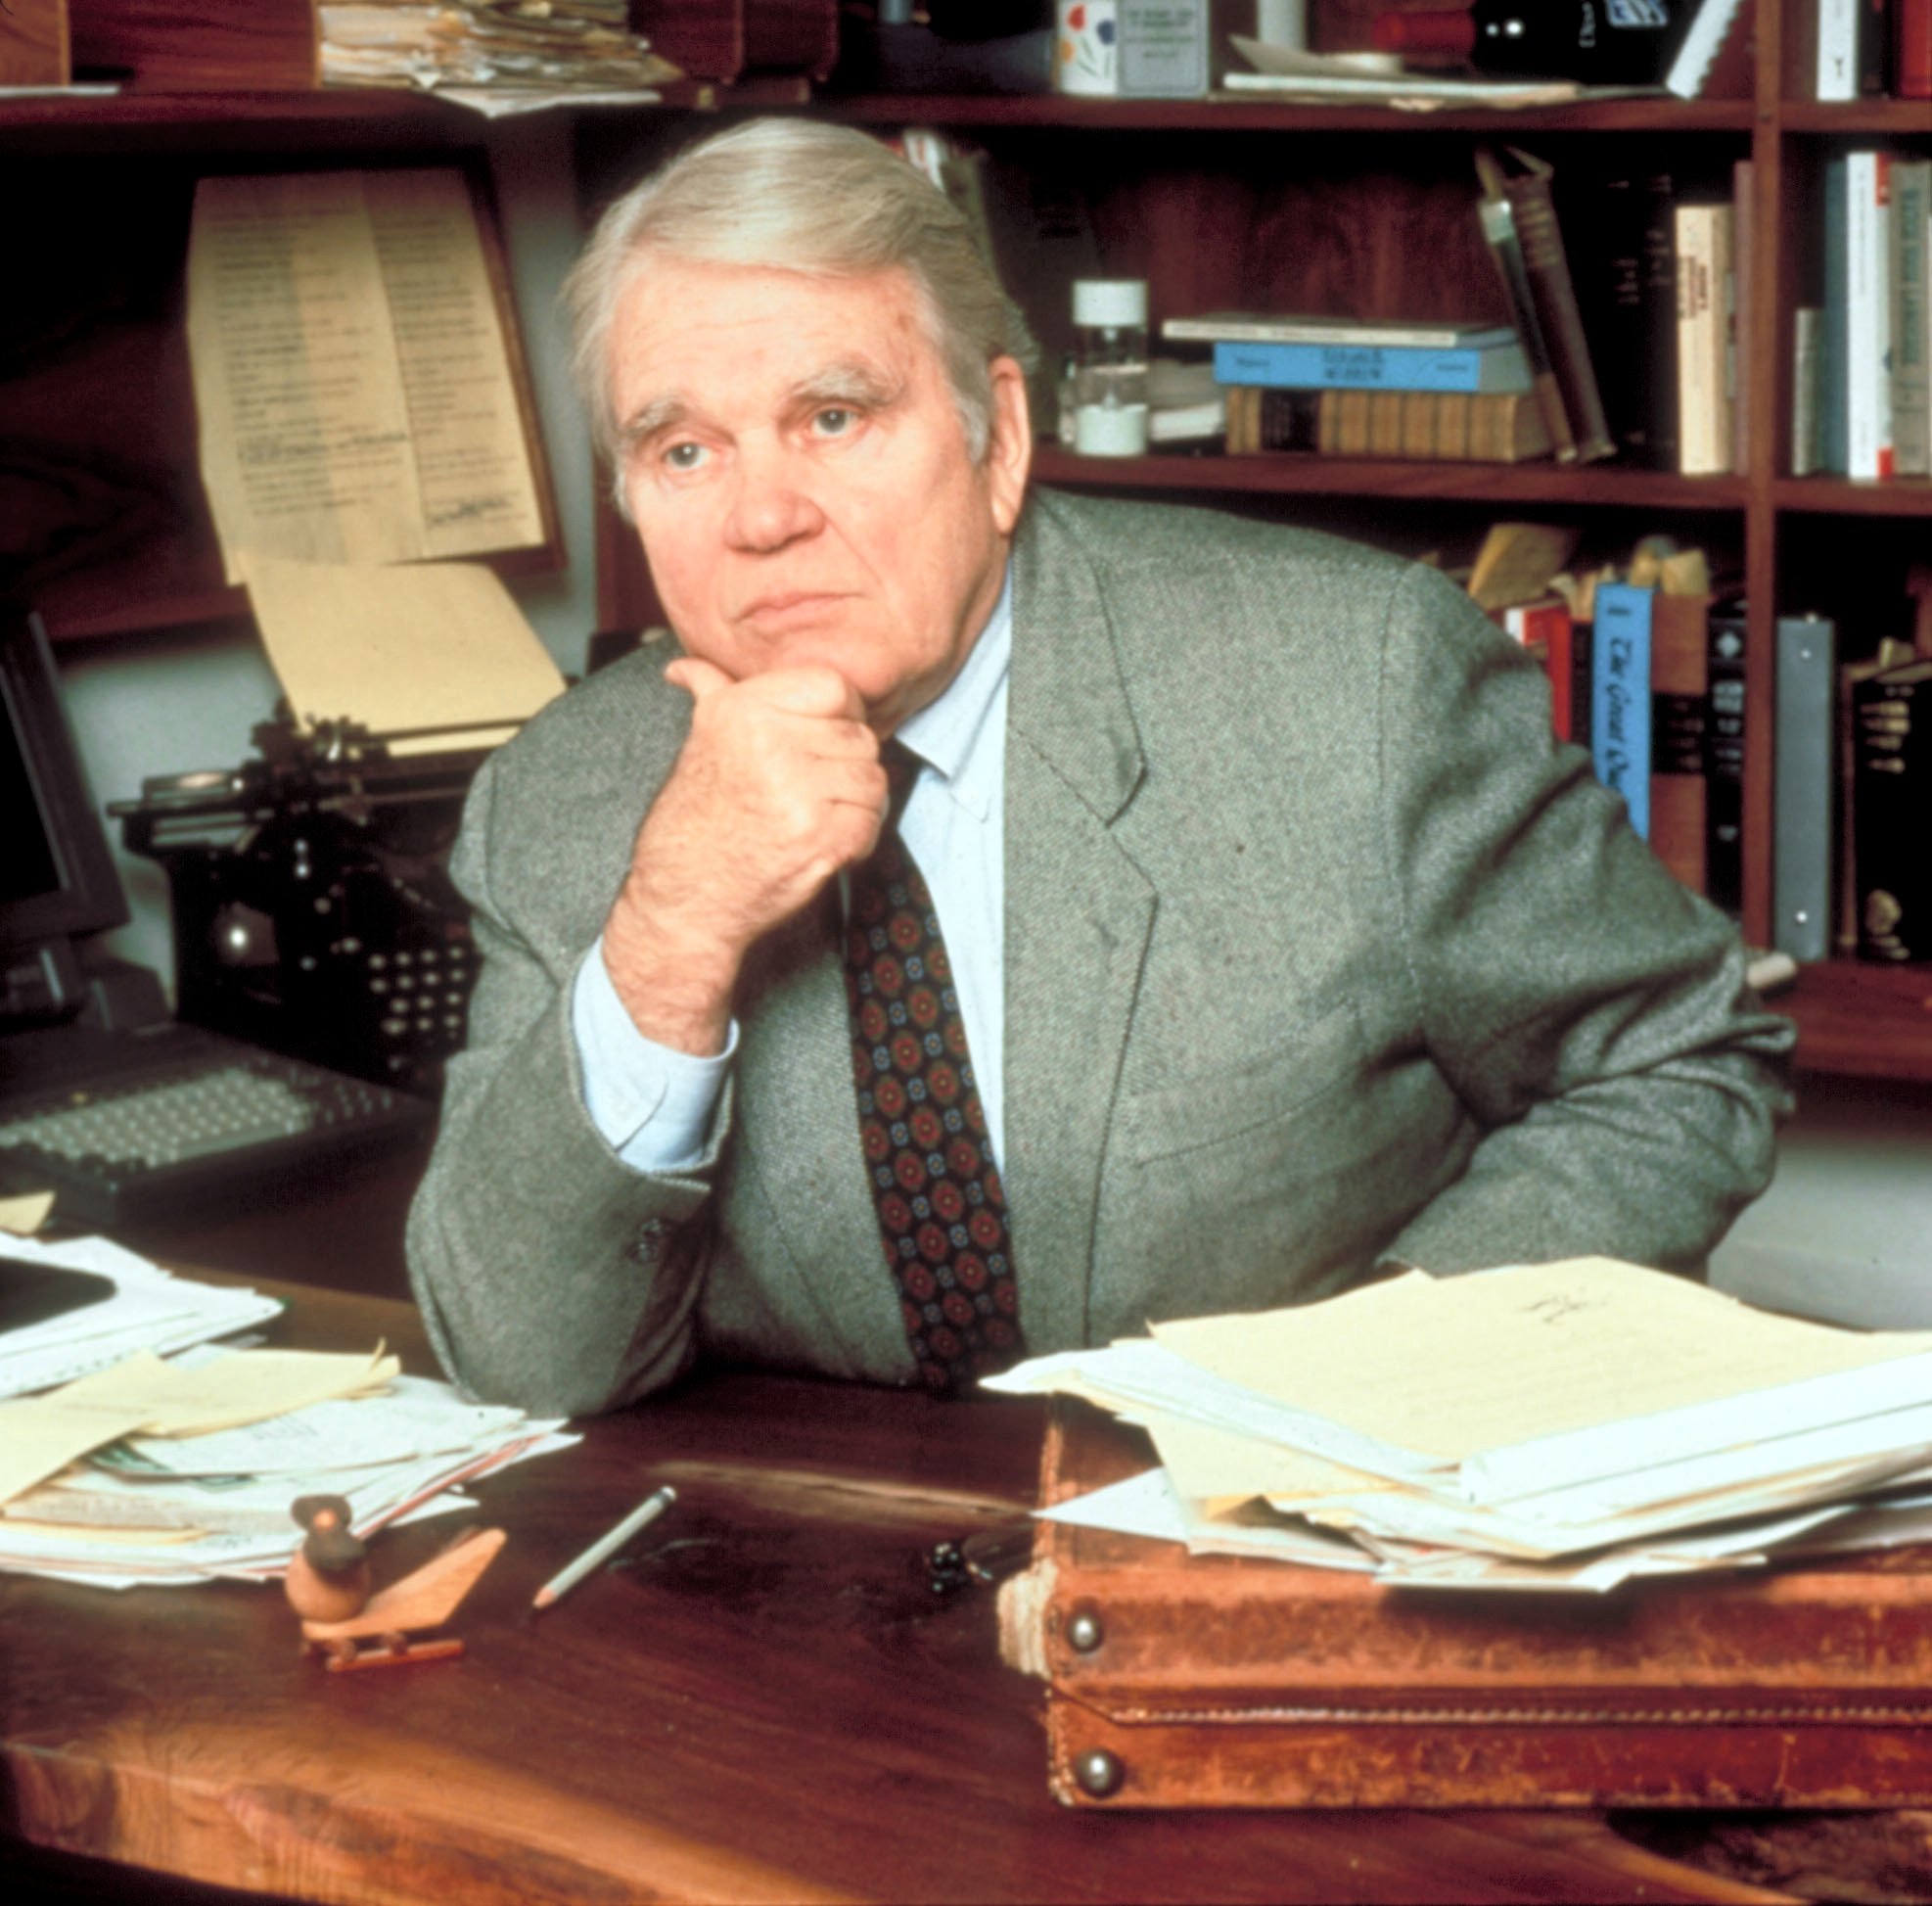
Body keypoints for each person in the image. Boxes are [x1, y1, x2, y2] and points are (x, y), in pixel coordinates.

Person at [406, 117, 1793, 1418]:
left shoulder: (1352, 679)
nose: (762, 515)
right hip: (824, 1586)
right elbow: (524, 1365)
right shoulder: (564, 796)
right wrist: (672, 929)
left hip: (1297, 1542)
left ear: (996, 436)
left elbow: (1676, 1065)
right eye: (685, 448)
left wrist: (1375, 1384)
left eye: (833, 418)